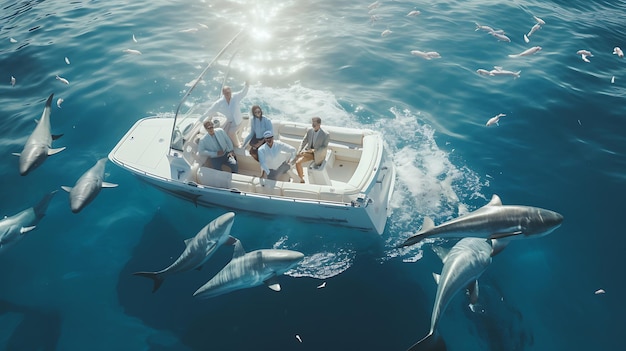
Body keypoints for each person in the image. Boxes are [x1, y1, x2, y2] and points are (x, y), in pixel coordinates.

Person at [202, 81, 249, 148]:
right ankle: (224, 145)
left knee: (231, 133)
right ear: (223, 93)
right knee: (222, 132)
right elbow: (211, 109)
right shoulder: (220, 102)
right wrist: (202, 117)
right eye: (226, 93)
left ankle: (238, 144)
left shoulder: (236, 96)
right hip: (229, 121)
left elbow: (243, 93)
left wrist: (247, 85)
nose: (228, 94)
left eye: (229, 92)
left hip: (238, 121)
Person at [294, 117, 330, 183]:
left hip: (318, 154)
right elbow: (304, 141)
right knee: (297, 161)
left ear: (319, 124)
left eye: (314, 125)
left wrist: (315, 150)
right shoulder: (309, 131)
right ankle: (301, 178)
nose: (313, 126)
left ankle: (301, 174)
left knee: (298, 159)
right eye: (312, 124)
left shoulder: (326, 134)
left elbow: (324, 147)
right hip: (309, 152)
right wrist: (299, 151)